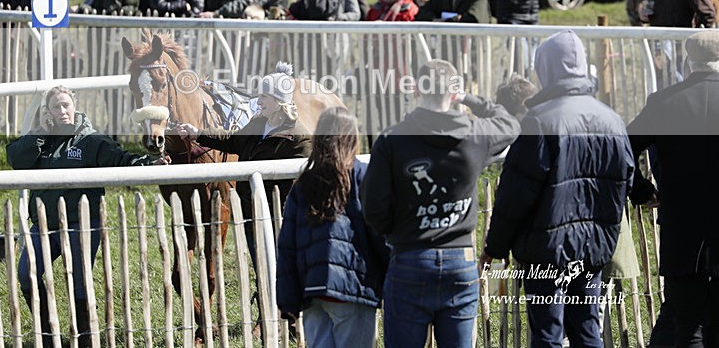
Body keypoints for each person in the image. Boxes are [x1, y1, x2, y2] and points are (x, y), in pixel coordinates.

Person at [481, 30, 635, 348]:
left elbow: (515, 194)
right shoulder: (612, 120)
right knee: (587, 332)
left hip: (546, 252)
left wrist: (495, 248)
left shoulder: (540, 120)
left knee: (548, 334)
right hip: (593, 249)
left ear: (546, 69)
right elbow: (626, 180)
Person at [361, 58, 520, 347]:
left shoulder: (392, 140)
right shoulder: (475, 135)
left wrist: (396, 232)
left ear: (417, 92)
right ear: (453, 92)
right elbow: (510, 122)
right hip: (461, 259)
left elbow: (373, 207)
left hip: (410, 255)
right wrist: (468, 98)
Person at [6, 85, 168, 347]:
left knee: (79, 283)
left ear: (75, 106)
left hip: (82, 225)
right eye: (56, 107)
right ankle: (49, 337)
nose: (62, 111)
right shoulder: (39, 140)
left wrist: (151, 163)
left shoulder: (90, 140)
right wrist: (41, 133)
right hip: (43, 225)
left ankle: (85, 340)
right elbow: (15, 158)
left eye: (66, 105)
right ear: (47, 112)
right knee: (27, 274)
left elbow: (122, 160)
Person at [626, 30, 719, 348]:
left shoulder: (664, 102)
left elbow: (623, 147)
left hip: (681, 227)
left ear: (688, 60)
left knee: (688, 325)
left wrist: (640, 189)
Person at [177, 61, 311, 275]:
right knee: (263, 272)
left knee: (283, 272)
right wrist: (197, 133)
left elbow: (300, 186)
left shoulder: (299, 139)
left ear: (278, 102)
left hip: (281, 219)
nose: (259, 100)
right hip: (253, 213)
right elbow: (233, 140)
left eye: (264, 97)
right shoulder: (258, 124)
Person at [277, 107, 389, 348]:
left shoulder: (302, 184)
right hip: (353, 289)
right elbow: (380, 233)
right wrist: (394, 276)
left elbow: (287, 246)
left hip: (313, 291)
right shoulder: (363, 176)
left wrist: (288, 300)